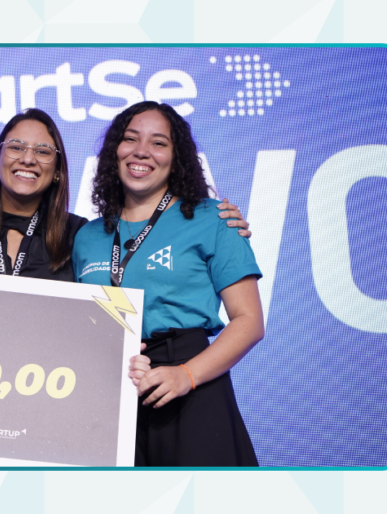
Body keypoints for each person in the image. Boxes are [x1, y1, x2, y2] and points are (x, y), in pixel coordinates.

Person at [72, 101, 264, 466]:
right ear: (115, 151)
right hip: (112, 389)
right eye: (130, 139)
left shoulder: (214, 219)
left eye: (158, 143)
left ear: (177, 159)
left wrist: (185, 375)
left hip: (191, 382)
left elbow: (250, 322)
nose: (141, 151)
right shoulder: (88, 237)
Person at [0, 108, 251, 282]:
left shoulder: (81, 235)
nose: (28, 159)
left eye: (43, 151)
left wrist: (219, 224)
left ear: (57, 169)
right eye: (16, 147)